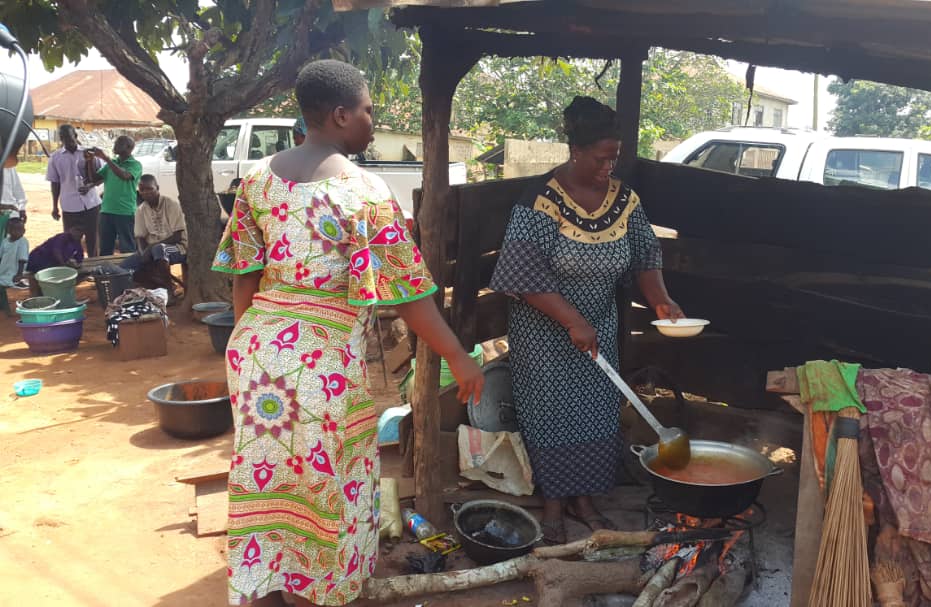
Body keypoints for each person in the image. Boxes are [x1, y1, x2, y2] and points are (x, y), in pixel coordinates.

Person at [212, 59, 483, 607]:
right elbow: (410, 298)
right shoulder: (365, 191)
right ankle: (317, 590)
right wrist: (458, 356)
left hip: (256, 354)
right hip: (322, 367)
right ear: (340, 115)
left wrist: (250, 353)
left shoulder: (257, 181)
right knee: (326, 486)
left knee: (268, 478)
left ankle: (265, 587)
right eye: (367, 110)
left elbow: (244, 280)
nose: (372, 121)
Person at [489, 96, 684, 544]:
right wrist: (572, 319)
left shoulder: (625, 200)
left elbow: (645, 256)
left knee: (596, 411)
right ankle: (554, 503)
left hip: (597, 323)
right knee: (550, 412)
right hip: (543, 329)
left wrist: (662, 300)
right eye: (601, 158)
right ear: (575, 151)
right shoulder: (540, 200)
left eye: (614, 158)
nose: (608, 167)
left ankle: (585, 499)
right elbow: (521, 273)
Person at [46, 124, 102, 257]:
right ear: (60, 139)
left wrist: (90, 186)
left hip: (91, 204)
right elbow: (55, 183)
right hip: (70, 207)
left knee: (93, 239)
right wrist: (54, 206)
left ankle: (93, 268)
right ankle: (76, 268)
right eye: (63, 138)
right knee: (71, 240)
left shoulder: (88, 153)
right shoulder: (55, 158)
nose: (67, 141)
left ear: (76, 137)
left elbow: (101, 177)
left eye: (70, 137)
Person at [121, 175, 186, 273]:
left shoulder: (171, 204)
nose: (146, 192)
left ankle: (167, 287)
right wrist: (143, 254)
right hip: (152, 250)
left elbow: (177, 237)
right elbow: (140, 237)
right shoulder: (140, 210)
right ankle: (154, 285)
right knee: (125, 266)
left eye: (150, 189)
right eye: (142, 189)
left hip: (178, 247)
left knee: (159, 249)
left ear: (157, 188)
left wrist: (151, 247)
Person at [96, 135, 142, 255]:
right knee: (105, 249)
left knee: (127, 249)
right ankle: (106, 273)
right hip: (106, 211)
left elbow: (124, 176)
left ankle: (128, 273)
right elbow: (94, 178)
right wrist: (89, 161)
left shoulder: (135, 165)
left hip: (125, 212)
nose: (115, 145)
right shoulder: (112, 163)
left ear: (128, 148)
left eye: (118, 143)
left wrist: (107, 159)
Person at [0, 218, 29, 289]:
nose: (22, 231)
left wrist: (19, 274)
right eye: (17, 229)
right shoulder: (5, 241)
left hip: (16, 270)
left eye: (22, 229)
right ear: (9, 231)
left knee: (12, 282)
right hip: (4, 269)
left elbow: (22, 260)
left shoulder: (22, 241)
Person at [1, 163, 27, 240]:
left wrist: (22, 209)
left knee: (12, 247)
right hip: (6, 211)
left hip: (11, 218)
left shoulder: (8, 166)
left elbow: (18, 190)